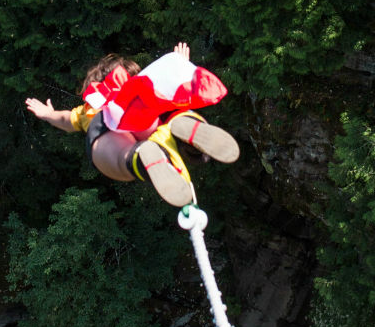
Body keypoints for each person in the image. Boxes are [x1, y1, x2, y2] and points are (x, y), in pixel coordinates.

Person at [25, 42, 239, 206]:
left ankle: (138, 159)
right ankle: (189, 132)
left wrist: (47, 113)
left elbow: (65, 121)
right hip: (142, 113)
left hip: (102, 126)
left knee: (119, 159)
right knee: (173, 113)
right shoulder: (140, 88)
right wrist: (180, 64)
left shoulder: (91, 107)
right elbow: (172, 82)